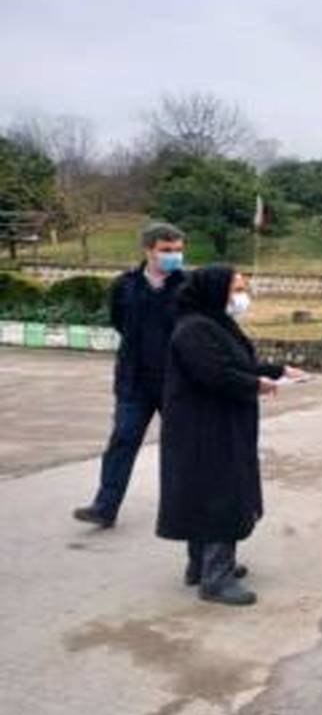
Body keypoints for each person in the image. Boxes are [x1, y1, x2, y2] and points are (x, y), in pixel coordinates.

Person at [156, 266, 305, 606]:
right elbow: (216, 373)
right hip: (205, 430)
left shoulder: (215, 323)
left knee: (205, 494)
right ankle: (216, 578)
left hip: (215, 425)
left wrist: (278, 371)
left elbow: (237, 362)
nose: (241, 296)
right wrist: (256, 385)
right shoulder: (193, 329)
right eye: (235, 289)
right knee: (221, 496)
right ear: (214, 290)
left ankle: (201, 566)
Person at [73, 222, 187, 528]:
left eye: (178, 250)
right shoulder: (125, 285)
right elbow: (119, 321)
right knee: (122, 440)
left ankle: (184, 509)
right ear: (148, 250)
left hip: (176, 381)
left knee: (181, 446)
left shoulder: (188, 286)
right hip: (134, 380)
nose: (174, 256)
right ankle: (104, 506)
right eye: (166, 250)